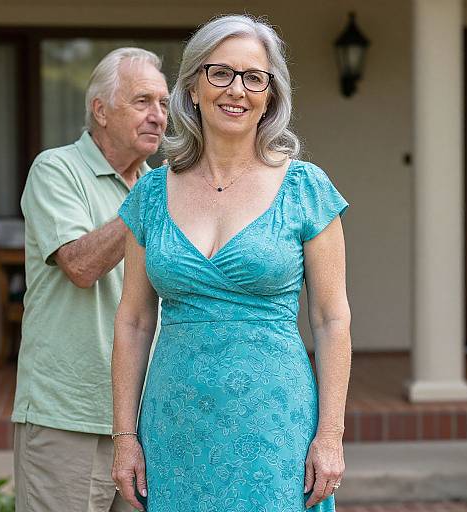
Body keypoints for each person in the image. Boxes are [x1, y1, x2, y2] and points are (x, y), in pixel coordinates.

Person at [112, 14, 351, 512]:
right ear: (193, 87)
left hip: (275, 425)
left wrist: (330, 435)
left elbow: (331, 319)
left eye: (253, 77)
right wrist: (124, 437)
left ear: (270, 97)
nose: (236, 90)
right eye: (220, 72)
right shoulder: (152, 194)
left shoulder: (306, 189)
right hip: (173, 423)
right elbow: (134, 320)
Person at [11, 47, 169, 512]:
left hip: (142, 420)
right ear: (100, 110)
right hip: (68, 417)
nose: (158, 117)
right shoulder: (56, 169)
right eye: (143, 101)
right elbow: (80, 266)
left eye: (163, 104)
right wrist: (148, 200)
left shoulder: (156, 185)